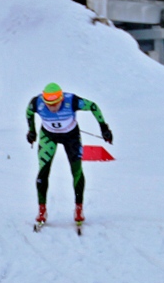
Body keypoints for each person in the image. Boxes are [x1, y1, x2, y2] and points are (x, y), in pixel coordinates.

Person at [25, 83, 112, 228]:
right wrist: (31, 131)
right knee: (43, 171)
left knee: (76, 171)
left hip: (71, 137)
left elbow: (93, 106)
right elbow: (29, 112)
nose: (52, 108)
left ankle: (79, 208)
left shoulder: (71, 101)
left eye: (56, 103)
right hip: (48, 137)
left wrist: (104, 128)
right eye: (49, 104)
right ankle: (42, 210)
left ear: (61, 99)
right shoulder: (37, 103)